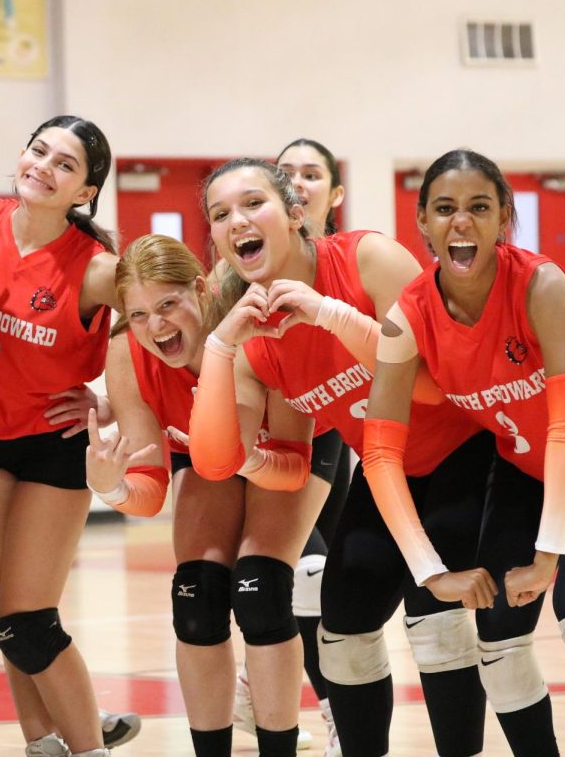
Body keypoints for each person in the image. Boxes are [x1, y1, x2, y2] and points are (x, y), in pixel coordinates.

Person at [188, 158, 492, 757]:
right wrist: (222, 348)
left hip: (469, 453)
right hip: (387, 473)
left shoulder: (368, 259)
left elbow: (431, 381)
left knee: (434, 620)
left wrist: (332, 315)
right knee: (343, 625)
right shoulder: (255, 339)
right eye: (220, 214)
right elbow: (246, 462)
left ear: (297, 213)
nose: (236, 221)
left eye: (253, 203)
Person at [362, 149, 565, 757]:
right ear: (423, 222)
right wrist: (430, 570)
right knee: (496, 633)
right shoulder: (407, 316)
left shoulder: (542, 285)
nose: (460, 222)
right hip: (527, 469)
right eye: (444, 209)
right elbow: (381, 454)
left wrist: (550, 554)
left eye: (478, 208)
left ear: (503, 219)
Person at [86, 233, 313, 757]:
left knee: (260, 588)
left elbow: (292, 467)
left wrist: (243, 457)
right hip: (205, 452)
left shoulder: (258, 327)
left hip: (283, 451)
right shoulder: (126, 350)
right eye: (138, 313)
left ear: (201, 288)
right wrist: (112, 486)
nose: (156, 326)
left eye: (168, 304)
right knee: (197, 594)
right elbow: (149, 487)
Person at [0, 115, 119, 757]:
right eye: (39, 151)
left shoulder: (97, 268)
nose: (43, 166)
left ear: (85, 192)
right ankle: (44, 742)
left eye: (64, 164)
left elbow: (166, 319)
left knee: (28, 621)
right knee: (5, 615)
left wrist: (106, 397)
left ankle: (88, 744)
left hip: (50, 447)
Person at [229, 138, 352, 754]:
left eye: (313, 174)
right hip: (285, 428)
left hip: (343, 430)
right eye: (289, 174)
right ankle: (331, 709)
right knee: (302, 570)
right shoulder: (243, 277)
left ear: (332, 195)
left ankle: (272, 683)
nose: (298, 182)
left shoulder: (353, 264)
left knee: (331, 577)